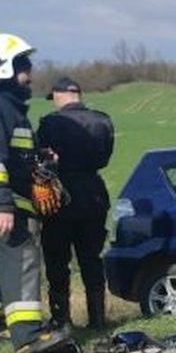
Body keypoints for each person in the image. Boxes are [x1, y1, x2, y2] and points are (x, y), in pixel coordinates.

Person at [0, 33, 74, 353]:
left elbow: (11, 151)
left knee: (7, 259)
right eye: (23, 64)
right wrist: (1, 204)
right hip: (3, 199)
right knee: (23, 256)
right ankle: (28, 336)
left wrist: (39, 155)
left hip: (10, 196)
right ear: (4, 67)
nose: (30, 71)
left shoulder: (3, 103)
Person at [37, 77, 116, 330]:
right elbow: (104, 159)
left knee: (57, 260)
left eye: (54, 98)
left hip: (60, 195)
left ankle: (62, 321)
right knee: (91, 259)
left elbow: (41, 158)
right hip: (93, 193)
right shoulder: (103, 120)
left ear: (60, 95)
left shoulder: (50, 123)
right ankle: (98, 320)